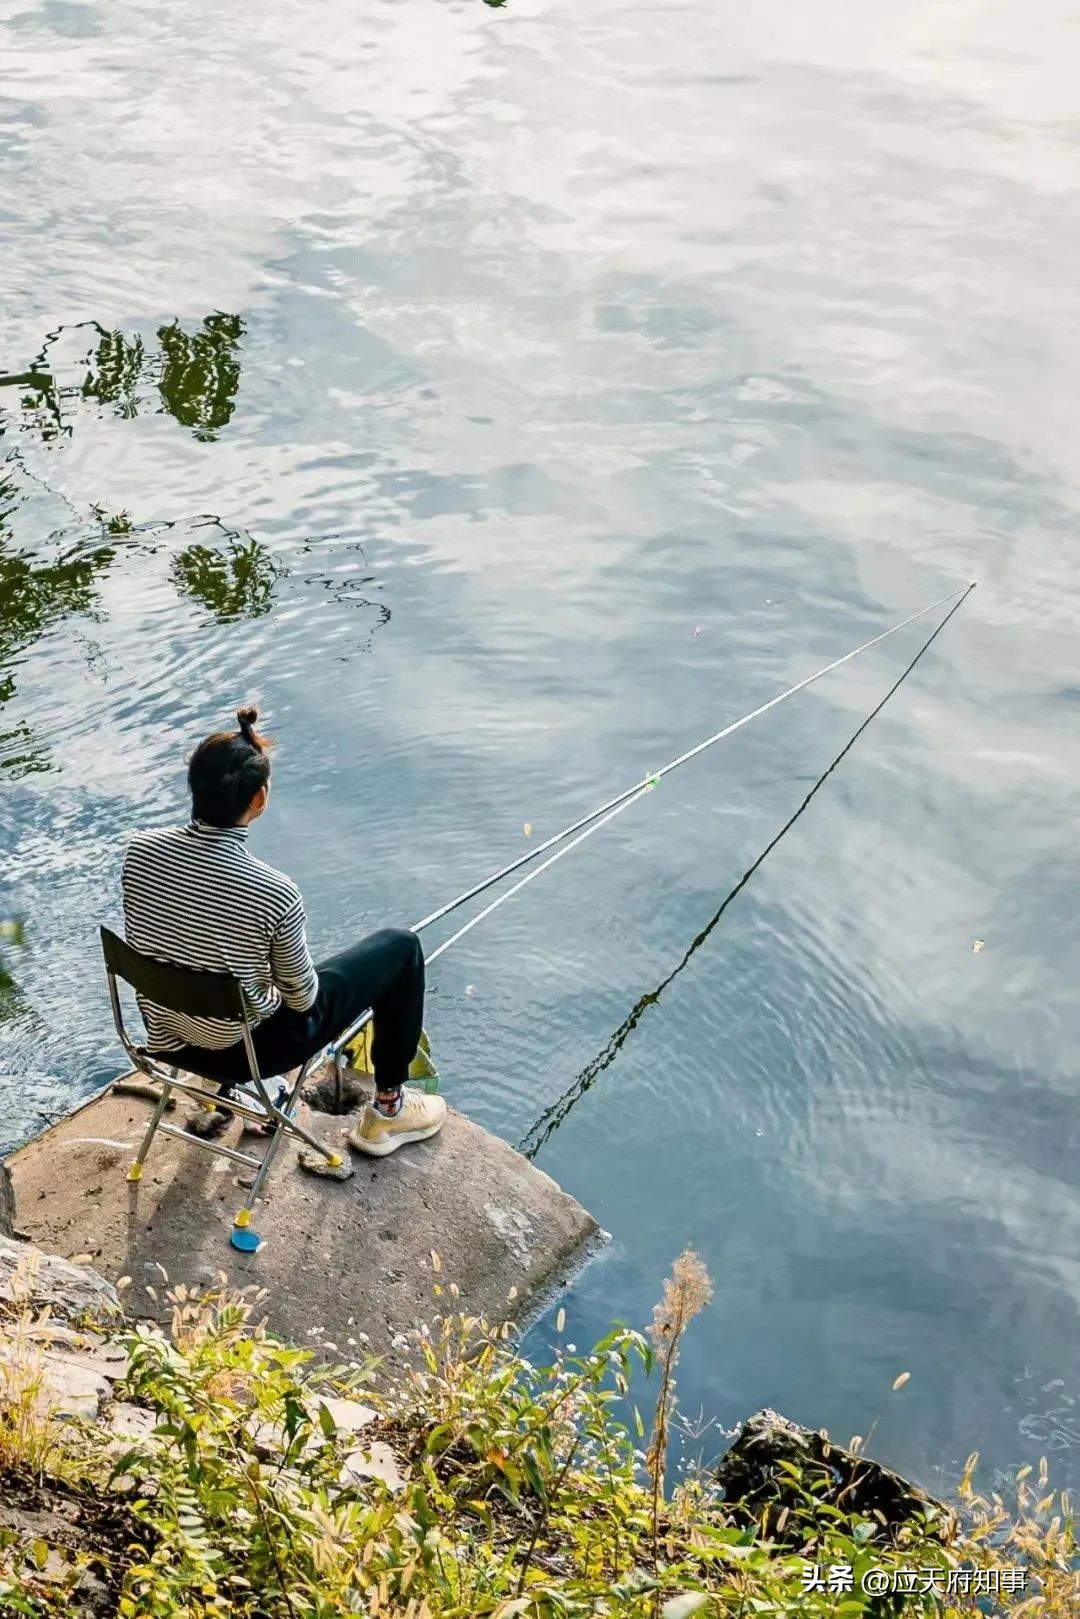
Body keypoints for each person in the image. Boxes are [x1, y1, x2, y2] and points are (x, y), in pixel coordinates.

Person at [121, 705, 446, 1157]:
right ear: (259, 799)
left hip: (168, 1036)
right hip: (245, 1050)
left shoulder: (139, 852)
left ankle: (224, 1090)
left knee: (224, 970)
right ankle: (389, 1111)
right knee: (401, 948)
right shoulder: (273, 891)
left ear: (193, 785)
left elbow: (168, 937)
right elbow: (303, 1001)